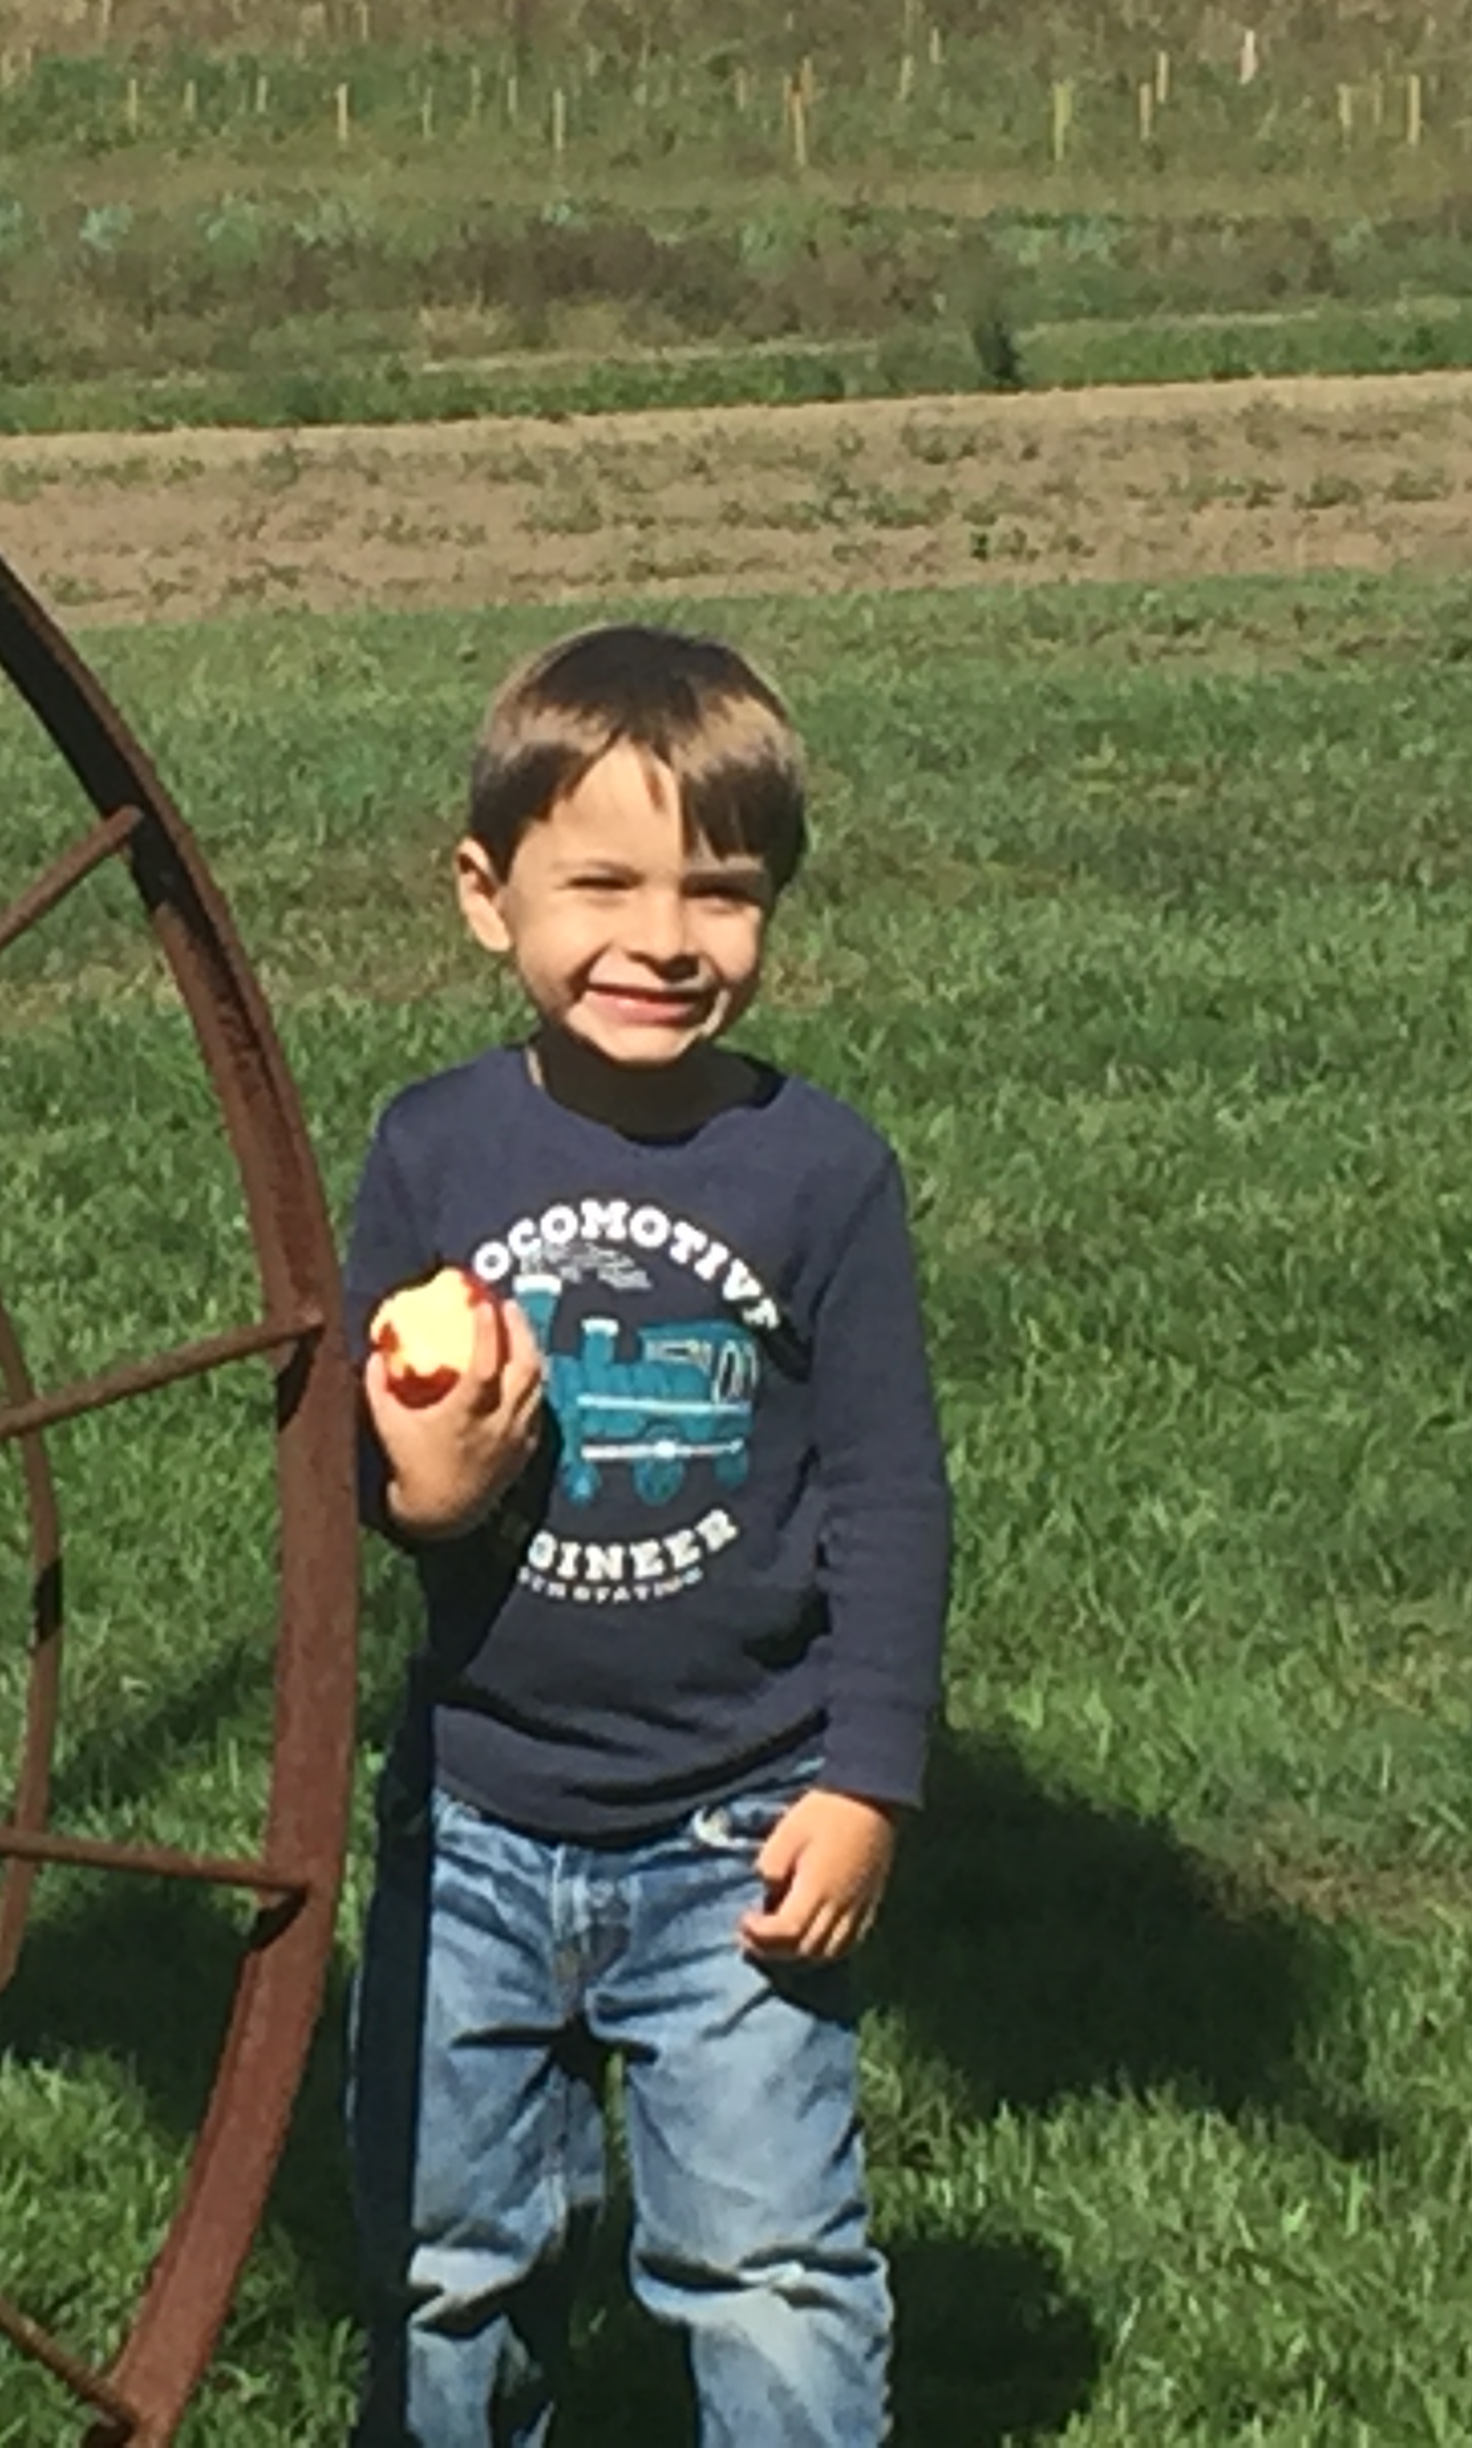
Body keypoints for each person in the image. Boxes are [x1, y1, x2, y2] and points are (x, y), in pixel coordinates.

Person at [343, 624, 950, 2447]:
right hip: (472, 1818)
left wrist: (868, 1781)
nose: (666, 939)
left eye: (722, 891)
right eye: (601, 885)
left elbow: (889, 1493)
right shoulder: (431, 1150)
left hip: (740, 1830)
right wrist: (427, 1492)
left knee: (769, 2264)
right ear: (487, 895)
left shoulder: (820, 1172)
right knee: (446, 2255)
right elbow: (349, 1463)